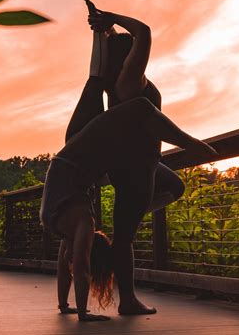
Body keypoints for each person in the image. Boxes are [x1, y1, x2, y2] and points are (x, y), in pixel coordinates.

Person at [40, 96, 218, 321]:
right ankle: (188, 148)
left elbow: (80, 263)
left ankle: (191, 144)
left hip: (84, 158)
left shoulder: (79, 222)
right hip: (74, 164)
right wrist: (67, 306)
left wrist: (81, 312)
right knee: (173, 184)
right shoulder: (67, 224)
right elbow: (73, 264)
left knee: (142, 107)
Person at [63, 0, 189, 315]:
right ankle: (129, 301)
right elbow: (144, 31)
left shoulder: (112, 83)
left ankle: (129, 224)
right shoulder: (131, 80)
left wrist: (102, 26)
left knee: (172, 188)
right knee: (128, 235)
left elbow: (105, 53)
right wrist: (112, 17)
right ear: (130, 56)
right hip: (136, 165)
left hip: (133, 161)